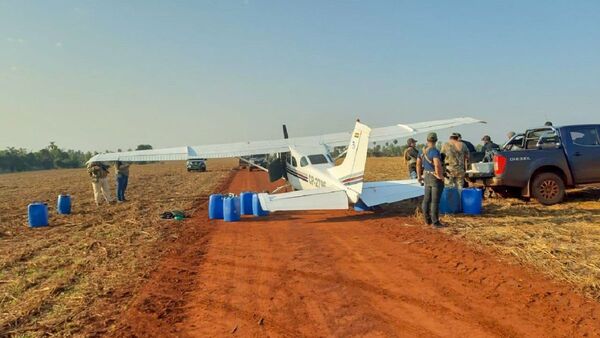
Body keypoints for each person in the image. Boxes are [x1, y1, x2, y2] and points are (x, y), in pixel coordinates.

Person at [417, 132, 445, 228]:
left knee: (426, 199)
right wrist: (439, 175)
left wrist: (419, 176)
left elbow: (418, 164)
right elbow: (437, 164)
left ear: (427, 140)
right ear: (436, 140)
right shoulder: (434, 151)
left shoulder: (422, 151)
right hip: (434, 177)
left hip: (426, 176)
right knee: (435, 201)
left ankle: (427, 220)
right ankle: (435, 222)